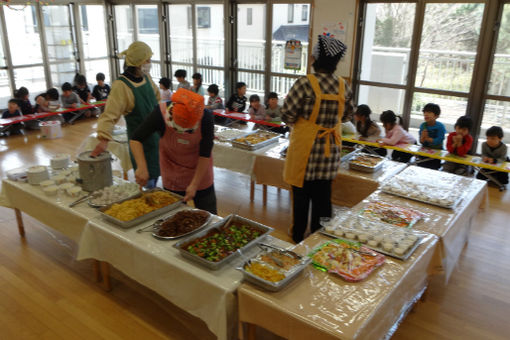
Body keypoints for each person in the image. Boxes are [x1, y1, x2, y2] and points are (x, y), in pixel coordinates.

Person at [282, 35, 353, 244]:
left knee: (301, 197)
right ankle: (319, 239)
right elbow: (347, 116)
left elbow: (287, 115)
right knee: (323, 198)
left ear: (315, 58)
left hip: (305, 149)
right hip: (329, 150)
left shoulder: (304, 83)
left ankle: (297, 238)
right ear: (336, 62)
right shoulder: (343, 86)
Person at [130, 88, 217, 213]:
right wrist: (142, 167)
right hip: (172, 173)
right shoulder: (160, 113)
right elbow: (135, 139)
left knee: (209, 216)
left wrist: (194, 184)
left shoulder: (206, 118)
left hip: (201, 173)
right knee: (173, 217)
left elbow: (205, 155)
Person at [91, 41, 161, 188]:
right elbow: (109, 115)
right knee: (147, 182)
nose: (149, 63)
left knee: (156, 174)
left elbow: (157, 99)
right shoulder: (121, 85)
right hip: (140, 142)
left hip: (157, 137)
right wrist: (103, 139)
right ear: (138, 62)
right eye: (147, 60)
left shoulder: (146, 77)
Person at [417, 103, 446, 170]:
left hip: (437, 150)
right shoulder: (423, 125)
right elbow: (421, 142)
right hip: (425, 149)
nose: (426, 114)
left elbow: (439, 140)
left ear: (436, 116)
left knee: (433, 167)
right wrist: (422, 138)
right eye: (425, 112)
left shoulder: (440, 126)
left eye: (429, 112)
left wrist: (427, 138)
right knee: (420, 166)